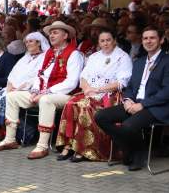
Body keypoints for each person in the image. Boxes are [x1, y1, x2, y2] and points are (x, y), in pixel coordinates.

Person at [0, 21, 84, 159]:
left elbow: (71, 82)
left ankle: (42, 146)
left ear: (65, 36)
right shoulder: (50, 53)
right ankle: (10, 139)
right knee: (12, 96)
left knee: (46, 100)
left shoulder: (74, 54)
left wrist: (45, 92)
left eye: (55, 32)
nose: (51, 35)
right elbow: (40, 75)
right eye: (51, 33)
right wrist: (35, 90)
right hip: (43, 92)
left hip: (65, 94)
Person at [95, 26, 169, 171]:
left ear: (161, 40)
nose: (148, 41)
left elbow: (168, 91)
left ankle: (136, 152)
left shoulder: (168, 61)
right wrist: (128, 100)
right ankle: (132, 147)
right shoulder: (139, 62)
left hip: (157, 107)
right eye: (145, 38)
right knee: (101, 116)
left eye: (152, 38)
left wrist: (143, 105)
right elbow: (130, 87)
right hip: (135, 103)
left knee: (128, 126)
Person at [56, 29, 132, 162]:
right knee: (70, 104)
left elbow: (121, 82)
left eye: (108, 40)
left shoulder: (123, 57)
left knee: (84, 106)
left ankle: (83, 149)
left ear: (114, 40)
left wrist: (97, 90)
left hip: (109, 95)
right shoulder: (94, 56)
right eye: (102, 41)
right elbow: (83, 77)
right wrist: (86, 89)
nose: (106, 43)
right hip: (90, 91)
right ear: (99, 42)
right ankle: (68, 146)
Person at [0, 32, 49, 130]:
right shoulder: (25, 57)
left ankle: (13, 131)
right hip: (13, 88)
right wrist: (9, 86)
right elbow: (13, 73)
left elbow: (37, 77)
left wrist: (20, 88)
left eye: (31, 41)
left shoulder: (44, 58)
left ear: (38, 43)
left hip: (28, 90)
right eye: (26, 42)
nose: (27, 44)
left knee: (7, 98)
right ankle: (1, 128)